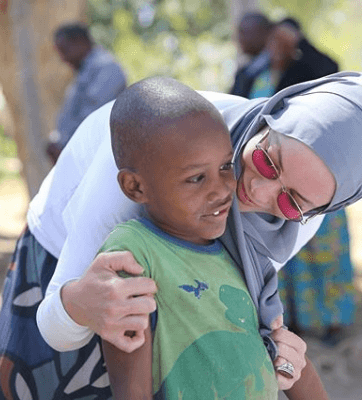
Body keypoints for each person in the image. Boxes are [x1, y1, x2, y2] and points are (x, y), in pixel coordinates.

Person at [0, 72, 362, 399]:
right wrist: (77, 303)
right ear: (271, 114)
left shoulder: (301, 220)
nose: (256, 192)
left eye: (292, 201)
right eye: (266, 160)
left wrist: (281, 360)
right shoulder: (168, 147)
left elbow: (225, 301)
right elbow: (56, 328)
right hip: (65, 260)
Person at [99, 76, 304, 398]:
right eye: (196, 178)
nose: (223, 189)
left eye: (226, 166)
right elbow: (130, 388)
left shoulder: (234, 245)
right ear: (135, 187)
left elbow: (280, 345)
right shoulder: (135, 253)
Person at [265, 17, 353, 346]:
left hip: (318, 176)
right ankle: (295, 320)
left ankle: (333, 321)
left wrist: (300, 42)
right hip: (273, 181)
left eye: (284, 42)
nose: (277, 48)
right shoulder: (258, 74)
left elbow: (332, 66)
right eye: (273, 41)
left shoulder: (309, 74)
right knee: (289, 253)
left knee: (324, 250)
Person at [46, 23, 127, 163]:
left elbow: (93, 118)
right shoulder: (85, 72)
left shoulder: (108, 69)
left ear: (81, 42)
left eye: (64, 50)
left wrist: (65, 147)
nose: (63, 58)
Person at [229, 12, 273, 99]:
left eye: (243, 32)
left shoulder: (279, 67)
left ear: (263, 32)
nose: (239, 38)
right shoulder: (245, 72)